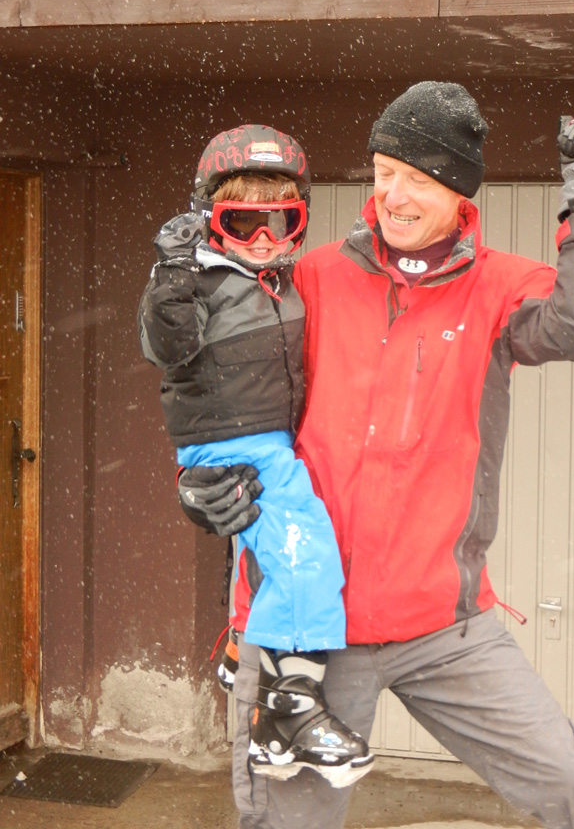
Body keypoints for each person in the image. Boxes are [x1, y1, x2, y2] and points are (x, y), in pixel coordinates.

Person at [181, 83, 574, 829]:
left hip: (446, 626)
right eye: (383, 172)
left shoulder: (499, 289)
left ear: (460, 193)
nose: (394, 196)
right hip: (309, 629)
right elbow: (221, 385)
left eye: (419, 179)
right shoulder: (312, 278)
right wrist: (201, 478)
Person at [138, 124, 373, 789]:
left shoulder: (283, 279)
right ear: (212, 222)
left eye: (281, 222)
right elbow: (168, 344)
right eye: (245, 224)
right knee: (307, 549)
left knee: (267, 555)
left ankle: (251, 669)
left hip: (266, 435)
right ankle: (291, 699)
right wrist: (174, 270)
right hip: (235, 439)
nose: (265, 241)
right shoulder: (201, 280)